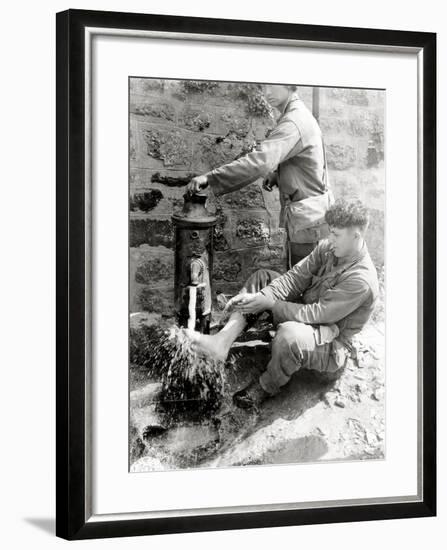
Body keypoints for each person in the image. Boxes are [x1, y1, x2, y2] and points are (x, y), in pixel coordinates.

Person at [185, 198, 379, 409]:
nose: (330, 239)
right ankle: (221, 342)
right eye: (330, 231)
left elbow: (319, 314)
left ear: (356, 235)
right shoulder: (327, 248)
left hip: (330, 343)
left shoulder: (361, 280)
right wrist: (264, 297)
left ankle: (266, 386)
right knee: (264, 278)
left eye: (336, 234)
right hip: (307, 315)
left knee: (289, 336)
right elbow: (295, 278)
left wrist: (270, 305)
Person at [187, 84, 333, 266]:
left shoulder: (293, 121)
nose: (267, 93)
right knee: (299, 280)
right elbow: (306, 164)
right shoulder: (295, 115)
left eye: (273, 86)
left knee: (304, 285)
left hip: (308, 223)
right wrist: (278, 175)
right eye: (263, 87)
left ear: (290, 85)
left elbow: (259, 161)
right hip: (308, 219)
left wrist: (210, 178)